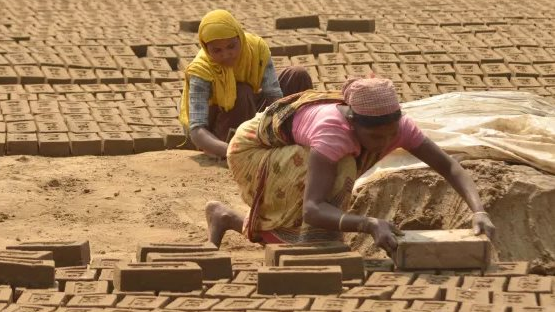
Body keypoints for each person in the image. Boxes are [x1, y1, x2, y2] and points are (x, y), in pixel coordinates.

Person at [204, 77, 496, 255]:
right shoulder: (332, 132)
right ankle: (309, 241)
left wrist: (479, 211)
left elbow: (450, 167)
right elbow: (312, 209)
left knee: (314, 221)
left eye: (391, 134)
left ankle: (227, 218)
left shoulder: (399, 127)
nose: (384, 143)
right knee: (340, 172)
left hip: (294, 149)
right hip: (252, 151)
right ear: (353, 123)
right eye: (375, 136)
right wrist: (367, 224)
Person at [179, 10, 313, 159]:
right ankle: (241, 145)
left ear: (240, 38)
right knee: (242, 92)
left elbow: (274, 97)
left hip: (247, 109)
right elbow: (197, 130)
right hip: (213, 133)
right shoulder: (200, 70)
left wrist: (280, 129)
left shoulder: (256, 49)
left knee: (297, 75)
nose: (226, 54)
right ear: (205, 48)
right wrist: (229, 150)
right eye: (217, 50)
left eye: (231, 46)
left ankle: (304, 135)